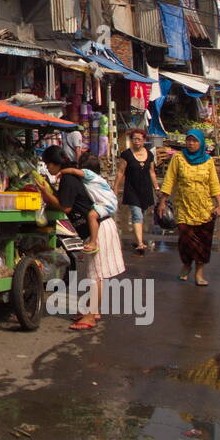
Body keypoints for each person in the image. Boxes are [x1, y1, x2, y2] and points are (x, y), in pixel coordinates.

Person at [35, 145, 127, 331]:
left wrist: (45, 193)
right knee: (93, 273)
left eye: (47, 164)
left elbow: (65, 206)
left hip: (99, 228)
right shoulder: (70, 177)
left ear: (54, 164)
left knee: (96, 275)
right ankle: (91, 311)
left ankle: (91, 316)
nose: (47, 168)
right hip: (97, 226)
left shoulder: (68, 178)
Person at [157, 128, 220, 286]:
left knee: (203, 242)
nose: (191, 144)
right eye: (189, 140)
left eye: (195, 141)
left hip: (205, 209)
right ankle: (186, 264)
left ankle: (199, 272)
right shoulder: (178, 159)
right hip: (184, 207)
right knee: (185, 240)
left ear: (200, 143)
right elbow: (169, 180)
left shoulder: (208, 161)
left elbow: (214, 184)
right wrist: (163, 201)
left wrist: (219, 205)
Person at [115, 128, 158, 255]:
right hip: (132, 189)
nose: (137, 141)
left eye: (139, 139)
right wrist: (115, 187)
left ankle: (137, 238)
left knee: (142, 215)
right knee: (136, 214)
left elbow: (152, 172)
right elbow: (120, 172)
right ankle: (140, 243)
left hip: (145, 190)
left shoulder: (149, 155)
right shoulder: (126, 155)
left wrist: (157, 188)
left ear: (144, 140)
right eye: (134, 139)